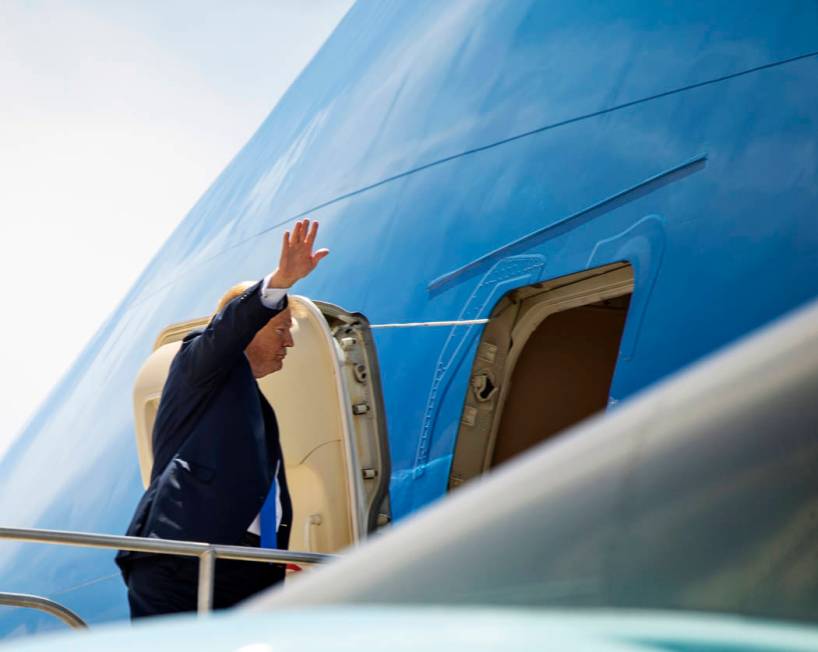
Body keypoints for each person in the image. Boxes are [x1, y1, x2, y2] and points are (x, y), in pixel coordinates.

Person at [115, 218, 329, 618]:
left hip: (245, 571)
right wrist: (280, 281)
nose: (290, 341)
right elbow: (226, 330)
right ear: (249, 328)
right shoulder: (200, 365)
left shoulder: (255, 405)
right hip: (185, 559)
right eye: (282, 328)